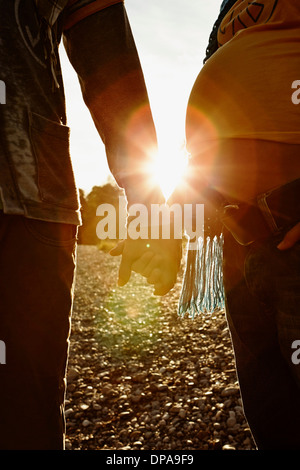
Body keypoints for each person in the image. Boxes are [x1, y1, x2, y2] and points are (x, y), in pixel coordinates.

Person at [0, 0, 178, 450]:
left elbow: (106, 55)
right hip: (33, 198)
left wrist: (150, 203)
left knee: (23, 418)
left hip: (27, 199)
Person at [130, 0, 300, 450]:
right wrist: (169, 222)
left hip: (293, 224)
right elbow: (206, 136)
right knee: (274, 420)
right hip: (236, 242)